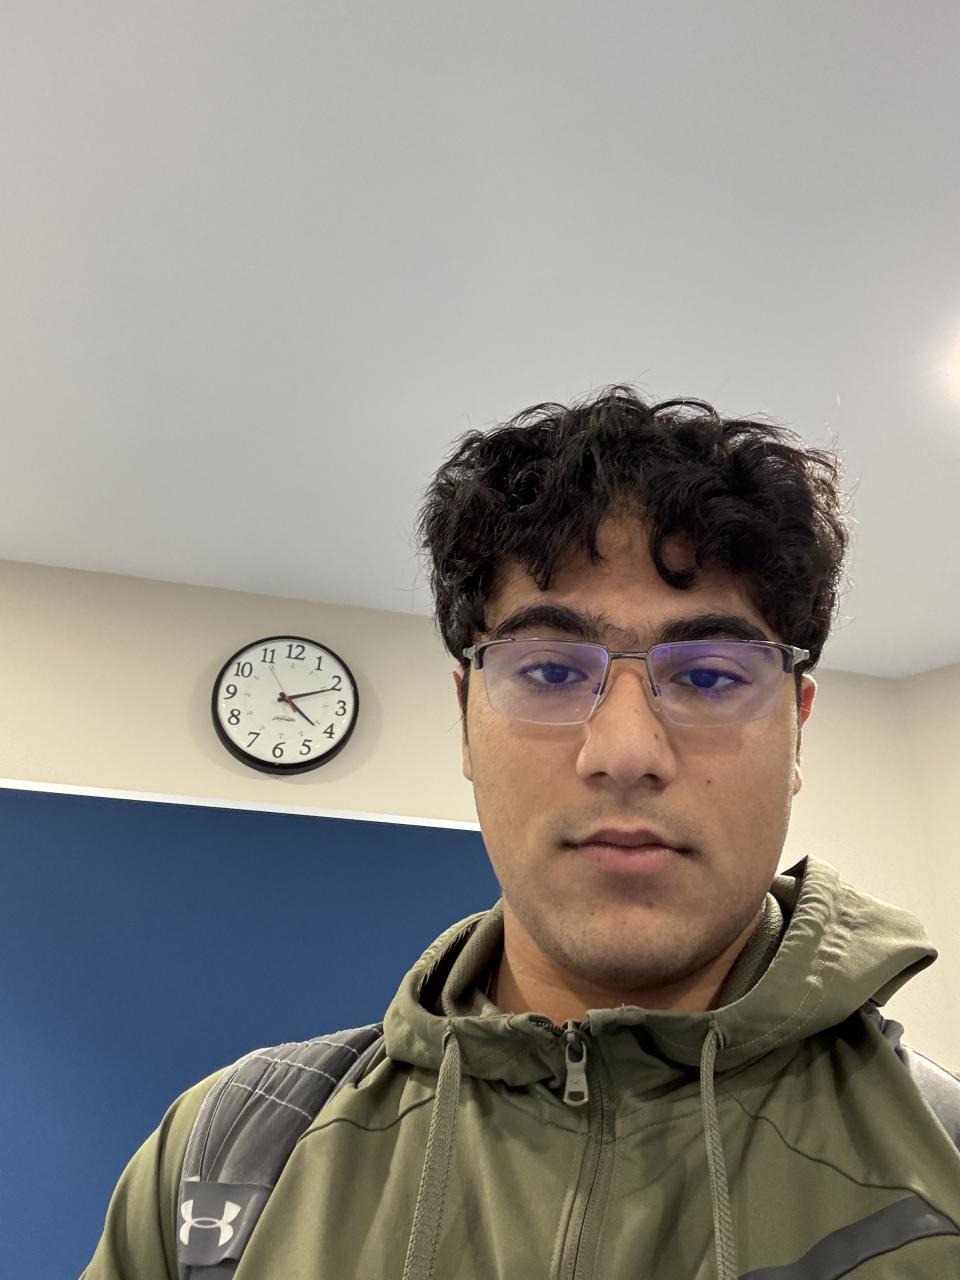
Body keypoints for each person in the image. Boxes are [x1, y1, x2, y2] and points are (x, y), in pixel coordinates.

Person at [83, 386, 960, 1278]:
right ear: (466, 719)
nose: (625, 751)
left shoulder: (944, 1163)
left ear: (797, 730)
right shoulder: (223, 1168)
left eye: (708, 676)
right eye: (548, 670)